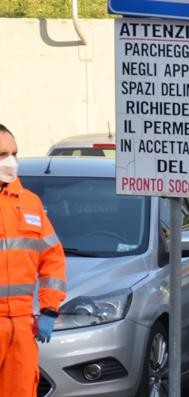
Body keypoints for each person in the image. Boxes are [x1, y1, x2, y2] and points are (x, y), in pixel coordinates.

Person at [0, 124, 66, 396]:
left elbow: (52, 258)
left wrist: (50, 308)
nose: (11, 161)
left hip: (22, 327)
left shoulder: (29, 203)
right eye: (2, 154)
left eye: (15, 153)